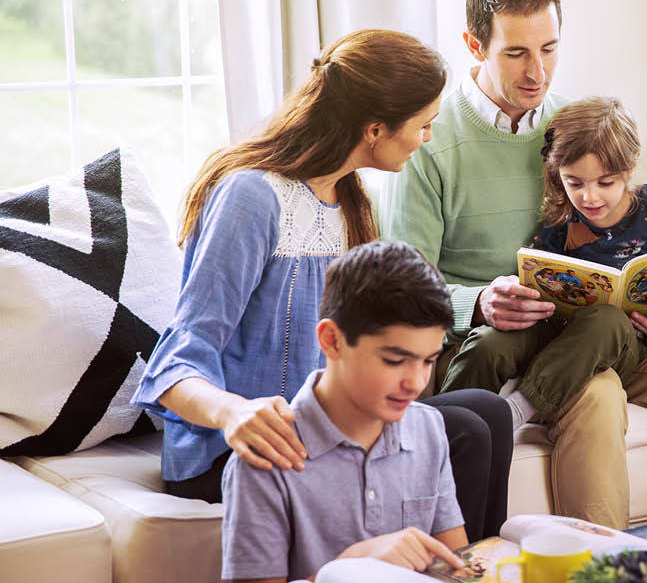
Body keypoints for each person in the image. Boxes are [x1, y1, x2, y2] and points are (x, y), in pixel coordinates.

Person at [379, 0, 647, 529]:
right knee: (595, 395)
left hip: (601, 327)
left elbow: (638, 225)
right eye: (517, 52)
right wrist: (479, 302)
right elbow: (404, 288)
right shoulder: (428, 141)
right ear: (475, 46)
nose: (538, 73)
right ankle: (602, 563)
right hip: (506, 338)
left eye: (549, 49)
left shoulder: (574, 127)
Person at [130, 29, 512, 541]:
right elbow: (178, 358)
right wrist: (235, 412)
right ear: (375, 129)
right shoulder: (252, 197)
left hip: (323, 429)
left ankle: (467, 571)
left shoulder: (350, 203)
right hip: (238, 450)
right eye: (424, 125)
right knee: (463, 430)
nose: (427, 139)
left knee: (487, 411)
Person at [441, 97, 647, 433]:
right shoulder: (564, 213)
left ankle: (520, 409)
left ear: (631, 165)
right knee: (489, 342)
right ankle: (440, 430)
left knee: (607, 320)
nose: (589, 197)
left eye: (605, 183)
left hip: (621, 341)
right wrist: (519, 288)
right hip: (557, 329)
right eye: (575, 183)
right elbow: (535, 267)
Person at [221, 241, 468, 581]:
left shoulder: (428, 428)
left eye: (429, 361)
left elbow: (458, 569)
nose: (416, 383)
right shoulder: (264, 460)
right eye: (395, 361)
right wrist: (347, 567)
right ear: (332, 341)